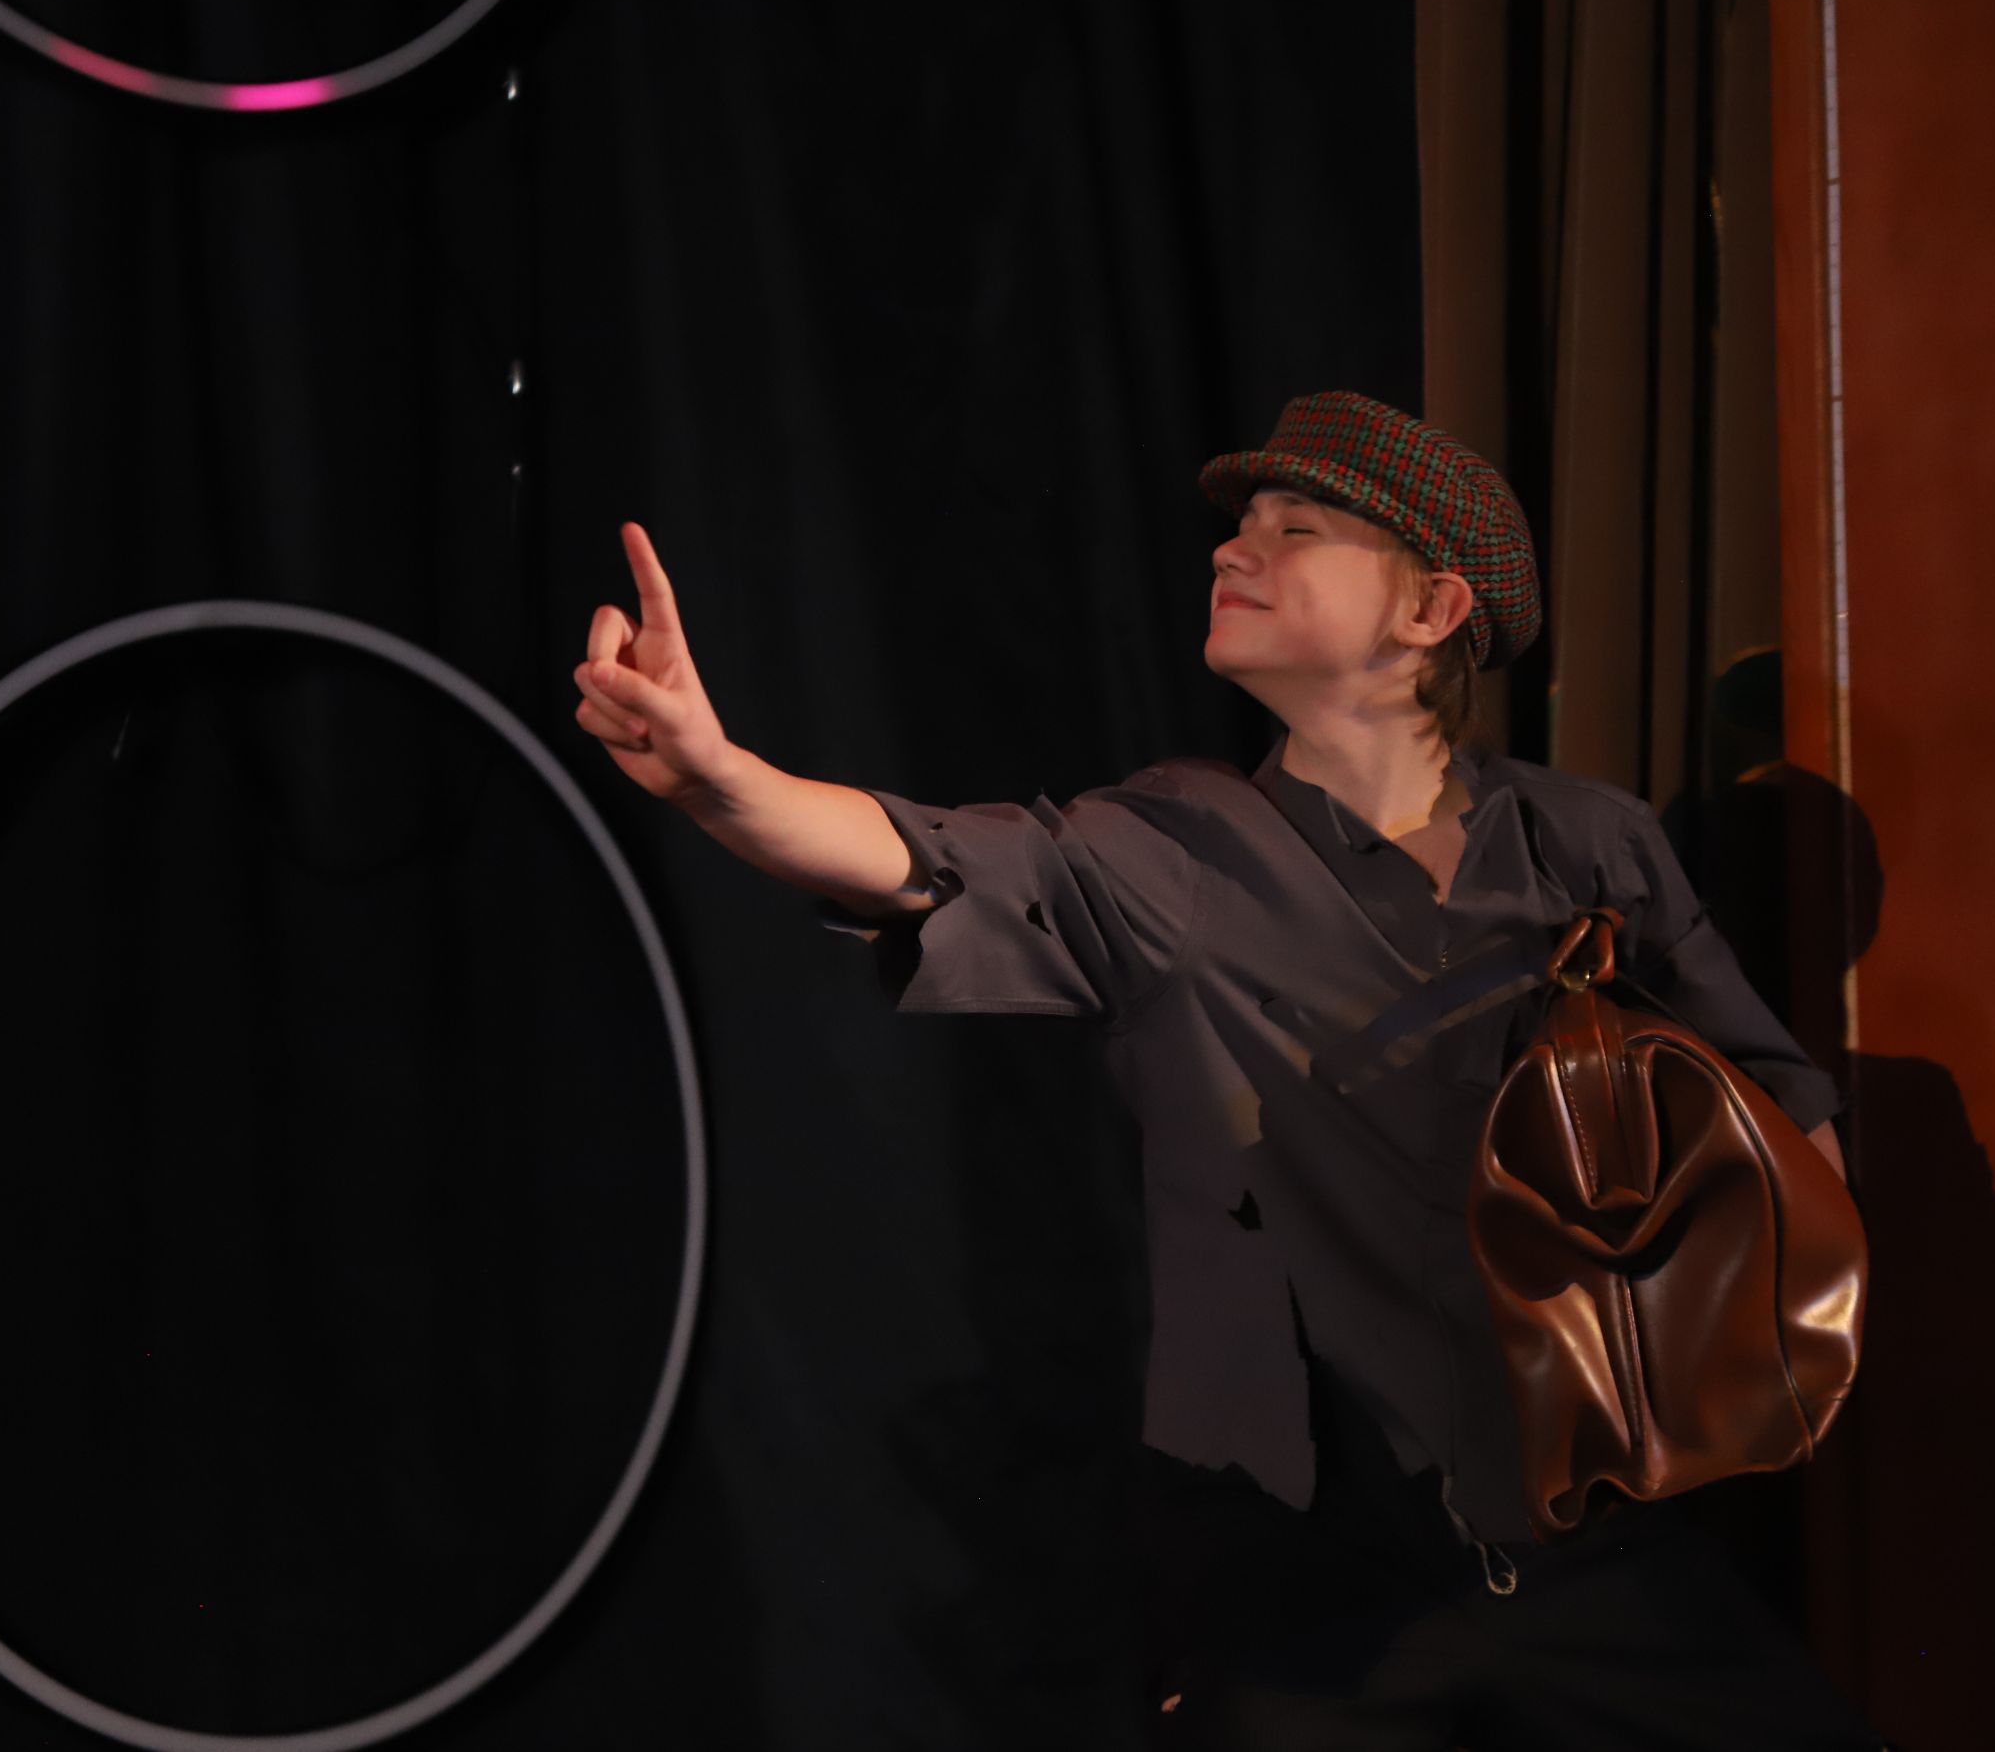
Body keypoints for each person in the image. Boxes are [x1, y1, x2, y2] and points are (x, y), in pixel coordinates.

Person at [570, 393, 1881, 1749]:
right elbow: (923, 857)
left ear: (1430, 611)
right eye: (1239, 524)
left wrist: (1702, 1327)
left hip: (1584, 1538)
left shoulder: (1587, 844)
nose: (1231, 548)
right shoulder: (1173, 848)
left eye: (1295, 528)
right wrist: (719, 777)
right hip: (1304, 1572)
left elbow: (1779, 1125)